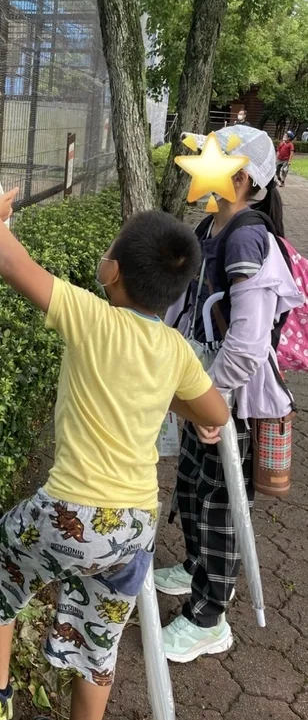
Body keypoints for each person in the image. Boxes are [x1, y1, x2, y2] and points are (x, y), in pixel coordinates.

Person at [0, 198, 230, 720]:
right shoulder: (173, 349)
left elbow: (14, 264)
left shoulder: (92, 316)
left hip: (72, 512)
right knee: (98, 644)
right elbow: (215, 410)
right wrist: (178, 401)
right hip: (135, 529)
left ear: (112, 271)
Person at [157, 125, 302, 663]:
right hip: (204, 394)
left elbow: (246, 341)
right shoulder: (210, 227)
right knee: (192, 488)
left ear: (239, 178)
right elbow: (184, 305)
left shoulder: (245, 238)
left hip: (229, 401)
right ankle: (198, 565)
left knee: (220, 502)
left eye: (208, 162)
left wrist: (211, 399)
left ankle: (211, 614)